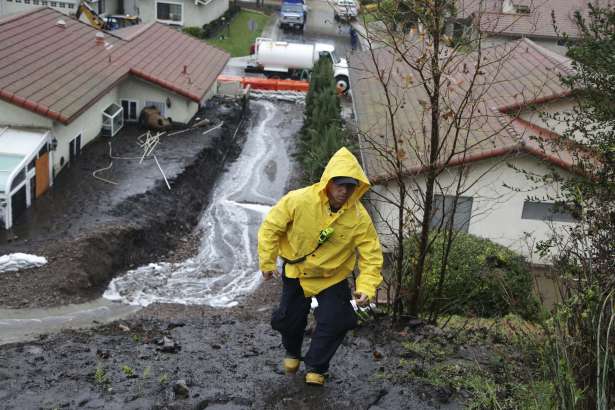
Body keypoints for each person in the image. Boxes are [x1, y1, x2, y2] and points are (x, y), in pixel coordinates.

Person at [258, 147, 383, 386]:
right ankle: (293, 351)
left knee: (339, 319)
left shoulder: (359, 217)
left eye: (351, 186)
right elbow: (271, 227)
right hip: (298, 271)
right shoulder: (299, 200)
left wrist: (367, 286)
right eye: (340, 185)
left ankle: (316, 366)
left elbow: (371, 255)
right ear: (328, 182)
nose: (344, 191)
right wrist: (267, 261)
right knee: (288, 320)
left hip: (332, 276)